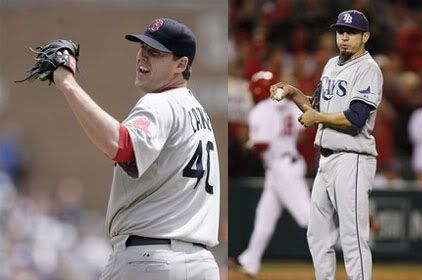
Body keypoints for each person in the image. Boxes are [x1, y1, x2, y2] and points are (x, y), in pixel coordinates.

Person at [51, 18, 220, 279]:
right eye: (142, 48)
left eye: (155, 53)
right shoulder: (197, 111)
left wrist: (66, 82)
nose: (143, 57)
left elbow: (122, 147)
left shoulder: (159, 103)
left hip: (150, 260)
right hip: (199, 264)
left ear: (181, 64)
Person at [271, 10, 383, 280]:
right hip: (327, 159)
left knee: (353, 235)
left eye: (351, 33)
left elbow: (355, 118)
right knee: (317, 234)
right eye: (340, 32)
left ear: (365, 36)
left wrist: (317, 117)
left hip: (353, 158)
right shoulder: (332, 64)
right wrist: (293, 92)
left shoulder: (369, 69)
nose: (344, 37)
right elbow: (317, 107)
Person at [233, 71, 310, 277]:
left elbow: (262, 143)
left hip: (282, 167)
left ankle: (347, 235)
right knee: (264, 216)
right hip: (284, 163)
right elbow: (302, 132)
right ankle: (249, 261)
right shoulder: (287, 105)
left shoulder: (260, 110)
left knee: (307, 217)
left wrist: (249, 145)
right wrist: (284, 140)